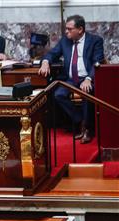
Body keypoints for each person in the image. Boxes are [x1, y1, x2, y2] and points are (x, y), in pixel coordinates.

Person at [38, 15, 104, 144]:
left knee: (87, 92)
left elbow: (97, 62)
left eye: (69, 29)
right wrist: (45, 62)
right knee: (58, 95)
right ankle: (80, 120)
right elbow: (52, 54)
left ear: (80, 29)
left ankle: (88, 129)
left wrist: (89, 78)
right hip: (70, 79)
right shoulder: (65, 41)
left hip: (87, 78)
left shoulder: (95, 40)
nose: (66, 32)